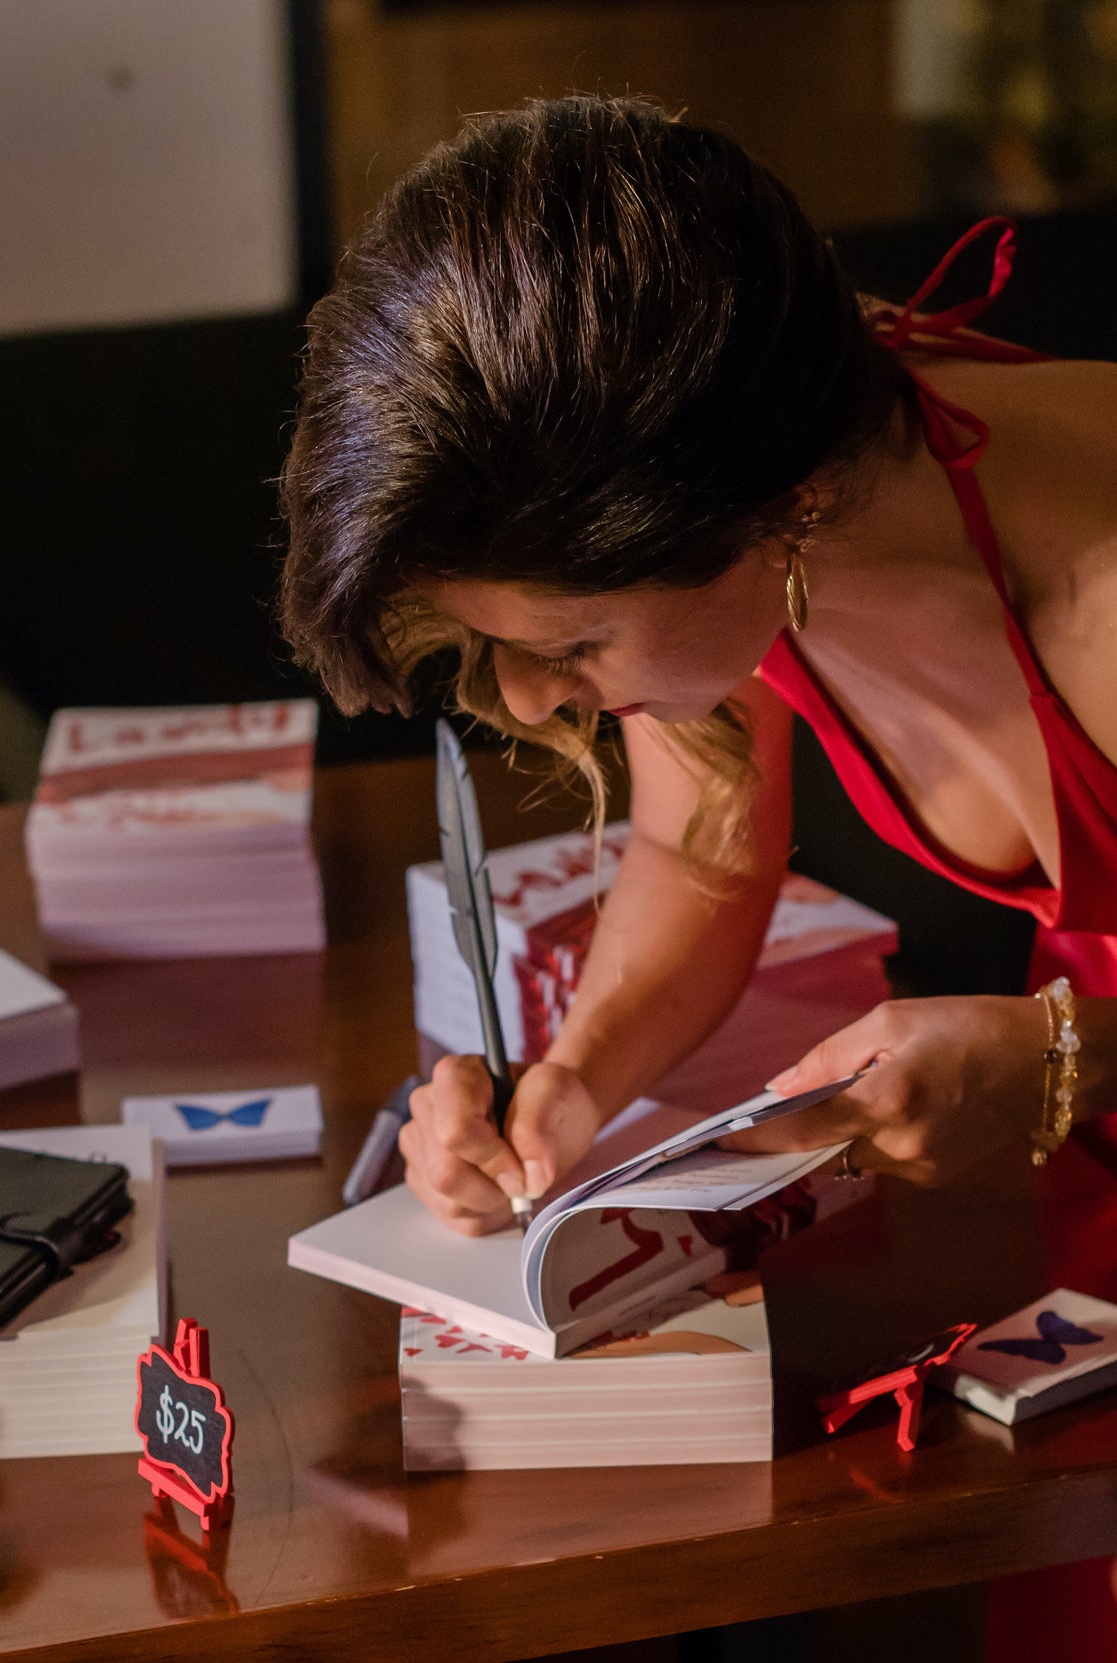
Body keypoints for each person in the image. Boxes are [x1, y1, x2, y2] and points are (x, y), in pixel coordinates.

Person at [279, 95, 1117, 1660]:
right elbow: (701, 837)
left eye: (567, 647)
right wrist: (577, 1082)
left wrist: (1077, 1050)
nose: (531, 704)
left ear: (755, 523)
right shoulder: (757, 475)